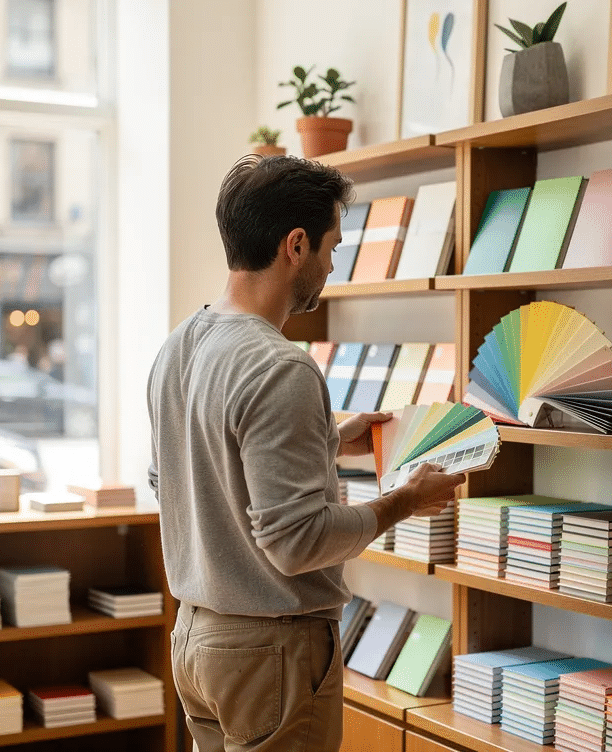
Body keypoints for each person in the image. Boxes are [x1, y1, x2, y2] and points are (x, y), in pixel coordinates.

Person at [147, 154, 465, 751]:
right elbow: (296, 543)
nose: (331, 264)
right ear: (295, 245)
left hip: (196, 639)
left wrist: (326, 436)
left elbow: (189, 472)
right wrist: (404, 501)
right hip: (271, 653)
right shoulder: (280, 366)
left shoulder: (179, 346)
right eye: (331, 247)